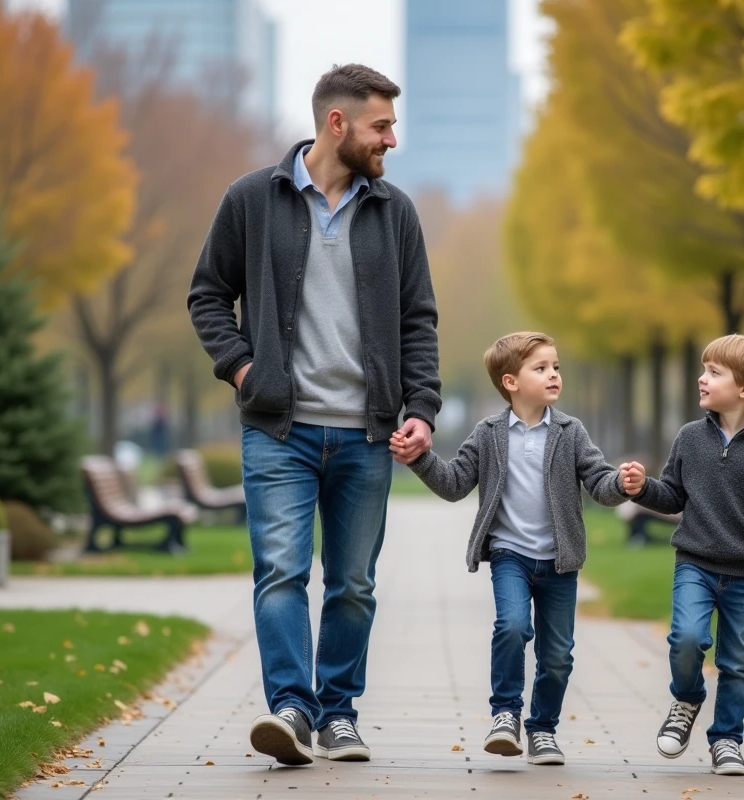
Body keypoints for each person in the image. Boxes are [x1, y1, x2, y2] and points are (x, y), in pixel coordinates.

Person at [187, 64, 440, 767]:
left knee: (354, 584)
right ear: (338, 124)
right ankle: (293, 709)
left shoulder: (396, 213)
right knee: (281, 573)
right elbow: (208, 295)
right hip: (279, 430)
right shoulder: (251, 200)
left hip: (367, 433)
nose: (393, 137)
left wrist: (421, 406)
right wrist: (245, 370)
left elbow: (418, 320)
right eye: (381, 125)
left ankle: (339, 714)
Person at [396, 332, 641, 766]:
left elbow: (599, 483)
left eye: (556, 367)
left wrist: (621, 484)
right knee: (511, 627)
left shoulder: (570, 431)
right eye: (541, 368)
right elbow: (454, 484)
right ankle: (505, 714)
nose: (553, 375)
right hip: (510, 554)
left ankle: (543, 730)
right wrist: (420, 459)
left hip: (559, 560)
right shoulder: (488, 433)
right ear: (511, 382)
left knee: (557, 655)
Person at [621, 334, 744, 776]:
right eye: (703, 369)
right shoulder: (688, 438)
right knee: (686, 639)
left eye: (714, 372)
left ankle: (727, 741)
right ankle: (687, 699)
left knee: (738, 662)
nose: (701, 379)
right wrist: (643, 488)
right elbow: (673, 496)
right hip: (695, 565)